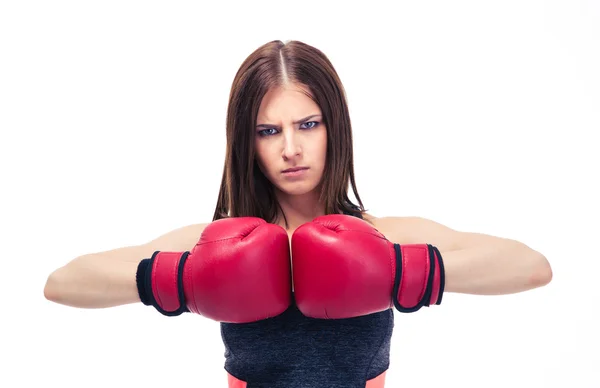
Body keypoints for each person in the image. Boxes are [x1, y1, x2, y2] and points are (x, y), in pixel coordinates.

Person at [44, 39, 553, 388]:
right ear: (246, 142)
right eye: (269, 131)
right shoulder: (214, 244)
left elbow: (531, 267)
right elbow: (62, 283)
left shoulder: (383, 235)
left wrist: (400, 271)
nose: (291, 148)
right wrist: (179, 278)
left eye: (307, 124)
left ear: (335, 129)